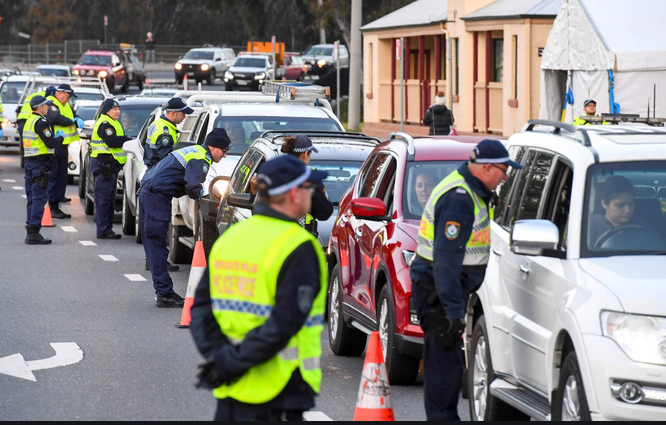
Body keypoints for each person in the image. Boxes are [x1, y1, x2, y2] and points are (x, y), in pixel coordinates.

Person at [190, 155, 329, 421]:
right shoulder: (299, 246)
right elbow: (285, 323)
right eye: (310, 188)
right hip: (281, 390)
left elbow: (201, 310)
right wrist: (232, 363)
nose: (314, 194)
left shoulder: (233, 237)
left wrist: (221, 358)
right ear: (293, 194)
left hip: (231, 389)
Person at [409, 139, 522, 421]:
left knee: (446, 367)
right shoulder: (459, 198)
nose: (506, 176)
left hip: (444, 292)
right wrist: (454, 311)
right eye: (503, 169)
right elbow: (446, 262)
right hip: (439, 294)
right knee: (443, 373)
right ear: (486, 168)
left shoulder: (471, 190)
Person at [139, 128, 230, 308]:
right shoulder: (201, 157)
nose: (225, 155)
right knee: (157, 245)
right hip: (156, 197)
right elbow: (193, 185)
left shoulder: (192, 150)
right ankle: (164, 294)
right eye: (224, 151)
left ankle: (163, 290)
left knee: (153, 244)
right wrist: (202, 195)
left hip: (149, 192)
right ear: (213, 147)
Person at [250, 135, 333, 235]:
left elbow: (259, 209)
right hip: (300, 235)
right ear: (305, 154)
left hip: (271, 234)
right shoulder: (309, 179)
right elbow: (325, 212)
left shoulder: (271, 174)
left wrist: (254, 193)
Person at [22, 95, 65, 245]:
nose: (48, 108)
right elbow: (51, 142)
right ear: (40, 107)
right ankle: (33, 232)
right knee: (39, 198)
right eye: (46, 105)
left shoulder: (29, 121)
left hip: (30, 163)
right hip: (40, 165)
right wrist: (60, 138)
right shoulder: (40, 123)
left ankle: (30, 228)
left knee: (32, 198)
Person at [90, 99, 132, 239]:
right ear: (107, 110)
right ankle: (103, 230)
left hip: (110, 167)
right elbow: (112, 141)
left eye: (119, 109)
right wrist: (126, 139)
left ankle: (107, 229)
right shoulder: (105, 124)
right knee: (103, 200)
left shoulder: (113, 123)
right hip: (104, 166)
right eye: (114, 109)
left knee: (109, 199)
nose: (117, 112)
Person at [46, 84, 84, 218]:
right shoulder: (51, 103)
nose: (68, 100)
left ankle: (57, 204)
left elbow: (73, 114)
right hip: (55, 145)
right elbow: (54, 118)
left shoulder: (65, 104)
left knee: (62, 177)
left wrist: (77, 118)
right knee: (55, 177)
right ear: (60, 93)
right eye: (67, 96)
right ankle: (52, 207)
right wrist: (71, 121)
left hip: (64, 145)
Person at [589, 175, 646, 246]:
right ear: (604, 203)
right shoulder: (590, 227)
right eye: (620, 205)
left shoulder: (642, 227)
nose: (627, 210)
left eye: (631, 204)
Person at [144, 98, 193, 169]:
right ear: (173, 113)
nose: (185, 117)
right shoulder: (165, 132)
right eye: (183, 114)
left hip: (153, 169)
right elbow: (166, 158)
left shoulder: (158, 123)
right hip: (161, 172)